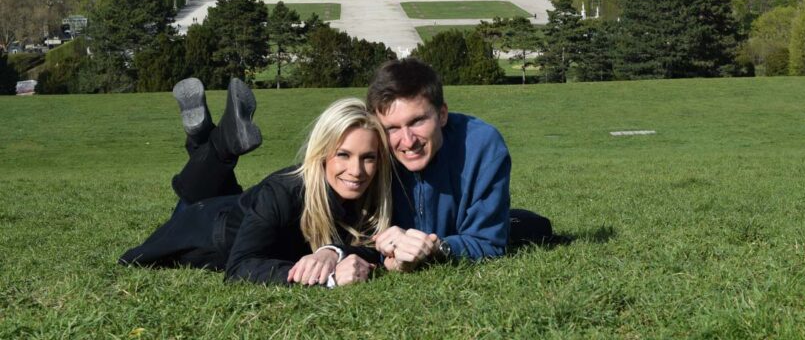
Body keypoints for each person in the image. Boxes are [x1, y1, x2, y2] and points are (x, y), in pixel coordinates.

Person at [119, 78, 390, 286]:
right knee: (190, 197)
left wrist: (335, 253)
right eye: (343, 155)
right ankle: (219, 142)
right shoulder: (283, 192)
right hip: (203, 230)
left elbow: (372, 247)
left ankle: (204, 137)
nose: (356, 170)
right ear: (321, 154)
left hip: (237, 205)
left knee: (214, 187)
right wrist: (328, 280)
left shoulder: (371, 196)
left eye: (368, 158)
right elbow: (239, 269)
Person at [367, 58, 518, 272]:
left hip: (463, 236)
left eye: (417, 121)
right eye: (392, 128)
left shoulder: (483, 145)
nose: (408, 141)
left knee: (534, 226)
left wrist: (436, 248)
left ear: (442, 115)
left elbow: (489, 243)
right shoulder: (370, 150)